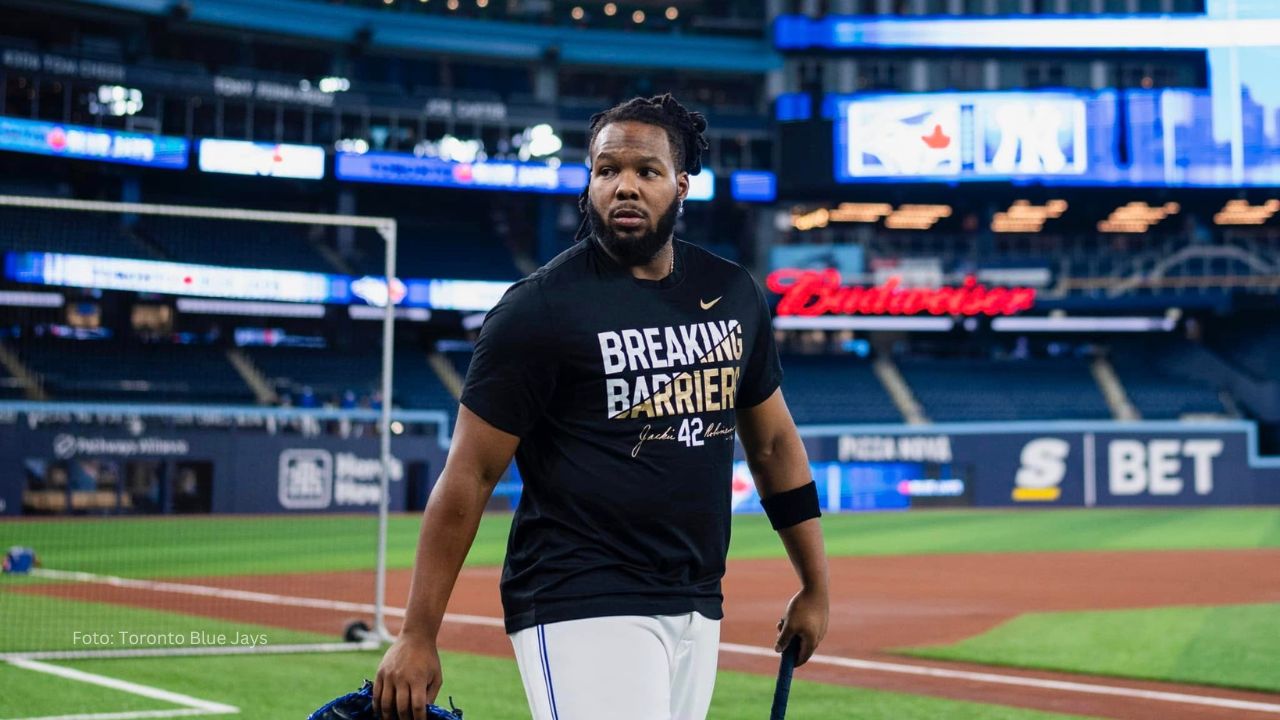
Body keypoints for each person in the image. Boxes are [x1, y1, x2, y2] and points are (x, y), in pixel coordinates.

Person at [375, 93, 829, 720]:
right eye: (607, 169)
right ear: (589, 181)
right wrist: (418, 633)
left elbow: (774, 445)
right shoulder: (538, 310)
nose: (624, 186)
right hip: (577, 594)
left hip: (697, 599)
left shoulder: (732, 293)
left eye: (647, 171)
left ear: (682, 185)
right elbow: (469, 475)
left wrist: (814, 585)